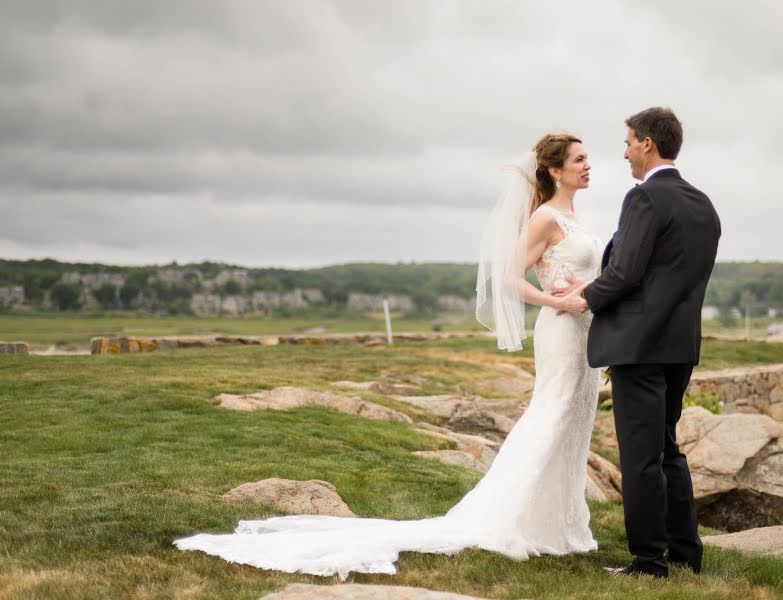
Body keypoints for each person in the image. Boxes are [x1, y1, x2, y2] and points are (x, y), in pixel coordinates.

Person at [173, 133, 603, 578]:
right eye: (580, 159)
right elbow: (511, 280)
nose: (589, 164)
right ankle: (506, 519)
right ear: (555, 170)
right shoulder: (545, 218)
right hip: (561, 331)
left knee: (574, 424)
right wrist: (559, 303)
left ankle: (558, 527)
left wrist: (585, 293)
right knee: (550, 418)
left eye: (587, 157)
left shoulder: (575, 215)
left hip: (586, 332)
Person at [566, 107, 720, 578]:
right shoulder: (703, 204)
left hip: (639, 347)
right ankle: (685, 553)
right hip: (680, 347)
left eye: (630, 141)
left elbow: (626, 272)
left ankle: (649, 560)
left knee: (640, 457)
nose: (625, 151)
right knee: (667, 449)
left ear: (648, 144)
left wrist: (582, 299)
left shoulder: (645, 199)